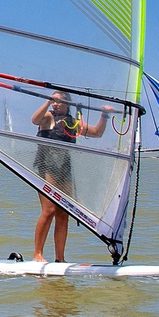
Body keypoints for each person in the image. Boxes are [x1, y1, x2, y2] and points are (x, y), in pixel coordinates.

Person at [29, 91, 112, 263]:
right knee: (49, 210)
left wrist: (104, 115)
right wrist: (47, 101)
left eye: (59, 101)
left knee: (63, 213)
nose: (55, 104)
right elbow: (34, 120)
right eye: (54, 101)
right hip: (47, 167)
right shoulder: (47, 118)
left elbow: (96, 133)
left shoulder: (73, 123)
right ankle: (38, 254)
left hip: (64, 169)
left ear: (68, 104)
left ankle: (60, 258)